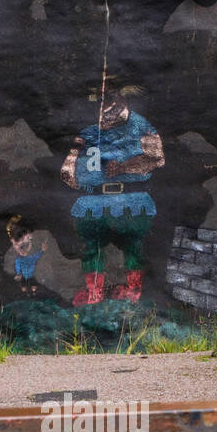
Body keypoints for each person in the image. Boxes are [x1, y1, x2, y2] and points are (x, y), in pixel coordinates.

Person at [60, 80, 164, 305]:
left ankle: (134, 290)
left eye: (108, 99)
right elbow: (70, 175)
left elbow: (157, 158)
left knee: (133, 246)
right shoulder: (88, 133)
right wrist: (73, 155)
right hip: (93, 203)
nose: (102, 106)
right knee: (92, 248)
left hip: (130, 201)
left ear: (121, 99)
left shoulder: (140, 126)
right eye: (98, 100)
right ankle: (95, 292)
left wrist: (124, 167)